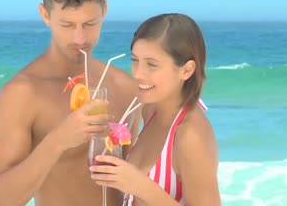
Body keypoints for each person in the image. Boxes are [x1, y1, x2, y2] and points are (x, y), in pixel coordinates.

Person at [0, 0, 139, 206]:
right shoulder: (22, 93)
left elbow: (140, 183)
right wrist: (58, 140)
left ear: (104, 11)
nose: (80, 37)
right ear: (45, 15)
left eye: (90, 23)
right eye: (67, 24)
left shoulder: (126, 87)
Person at [89, 13, 221, 205]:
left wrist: (141, 186)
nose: (137, 73)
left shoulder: (190, 136)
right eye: (135, 60)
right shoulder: (150, 109)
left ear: (186, 70)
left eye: (151, 64)